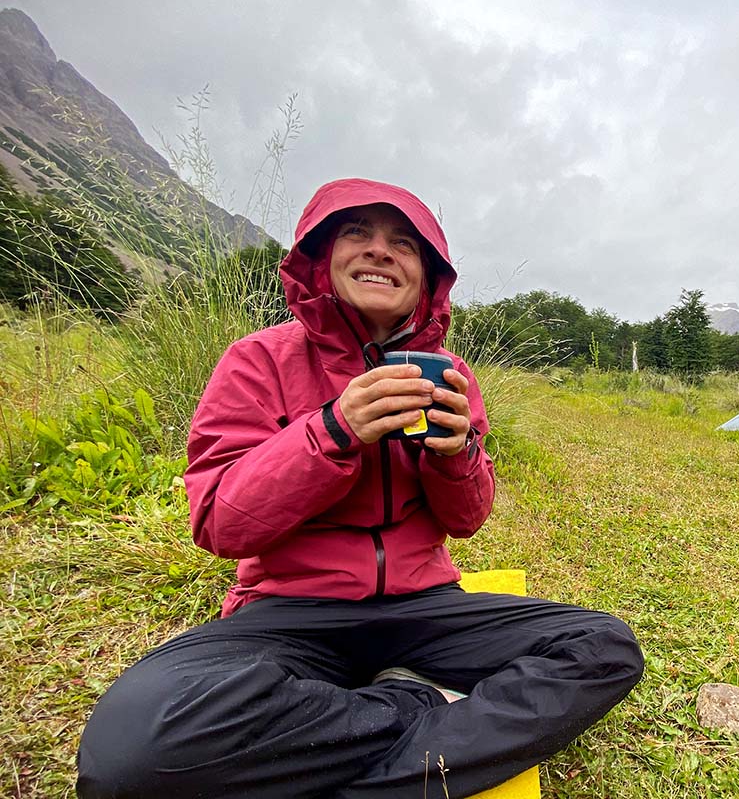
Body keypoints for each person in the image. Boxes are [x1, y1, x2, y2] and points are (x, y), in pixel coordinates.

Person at [76, 178, 644, 799]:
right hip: (289, 613)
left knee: (602, 647)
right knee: (129, 755)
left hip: (422, 608)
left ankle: (338, 749)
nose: (380, 251)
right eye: (357, 234)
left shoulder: (451, 376)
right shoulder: (256, 361)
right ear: (320, 262)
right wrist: (333, 429)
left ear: (426, 279)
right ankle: (414, 705)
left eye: (404, 244)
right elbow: (220, 523)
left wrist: (458, 454)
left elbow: (467, 520)